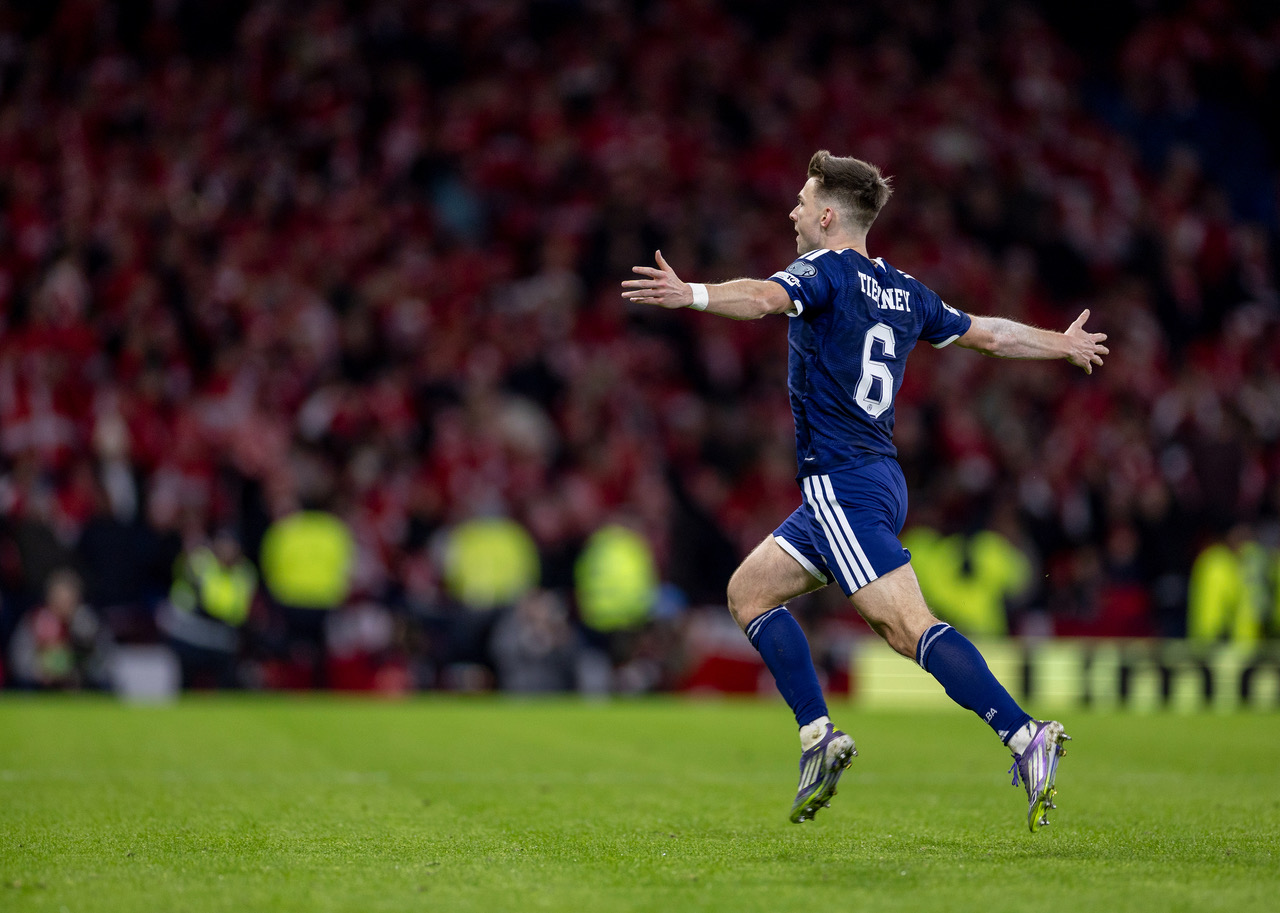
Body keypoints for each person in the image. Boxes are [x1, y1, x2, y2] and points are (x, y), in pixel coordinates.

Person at [621, 150, 1109, 831]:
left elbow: (764, 298)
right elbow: (991, 336)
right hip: (872, 480)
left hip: (842, 485)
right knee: (748, 592)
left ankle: (1025, 734)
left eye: (800, 201)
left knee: (908, 628)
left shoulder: (824, 270)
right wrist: (1060, 342)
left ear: (827, 215)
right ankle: (818, 738)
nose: (791, 212)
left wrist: (692, 293)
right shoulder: (907, 290)